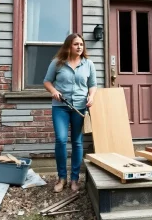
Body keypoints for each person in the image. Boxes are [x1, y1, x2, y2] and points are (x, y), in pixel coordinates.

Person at [43, 33, 97, 193]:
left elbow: (93, 85)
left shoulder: (88, 64)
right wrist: (53, 91)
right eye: (76, 44)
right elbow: (46, 81)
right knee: (60, 140)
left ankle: (74, 179)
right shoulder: (57, 63)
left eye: (81, 44)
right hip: (60, 107)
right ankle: (61, 178)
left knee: (77, 142)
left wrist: (91, 96)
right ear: (69, 46)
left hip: (80, 107)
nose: (79, 47)